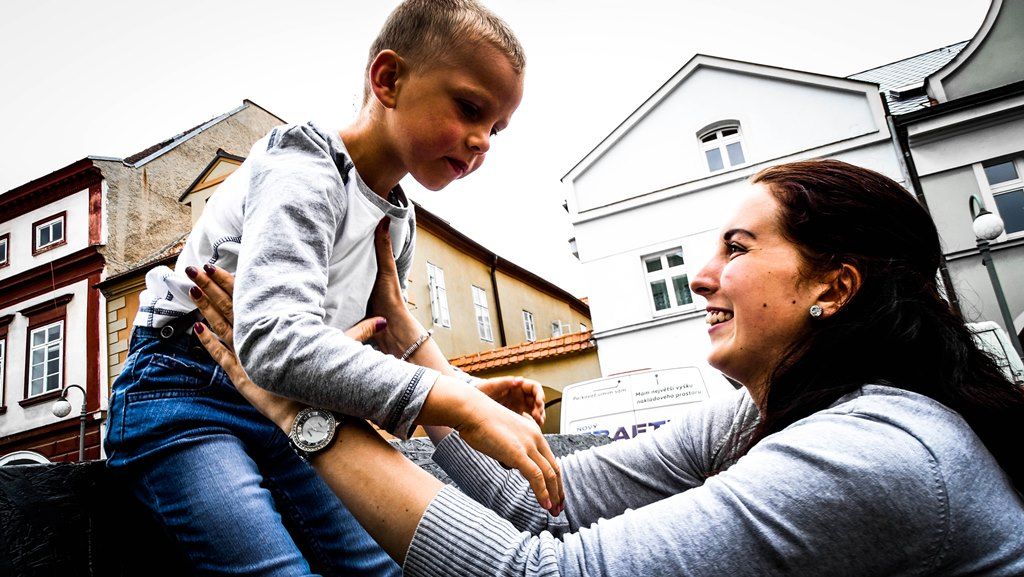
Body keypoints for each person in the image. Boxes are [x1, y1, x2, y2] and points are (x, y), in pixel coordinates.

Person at [192, 159, 1024, 576]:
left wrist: (301, 412)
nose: (701, 276)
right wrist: (409, 340)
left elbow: (539, 573)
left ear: (833, 288)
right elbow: (536, 501)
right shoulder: (760, 414)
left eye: (738, 249)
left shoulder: (875, 454)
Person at [104, 2, 563, 575]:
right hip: (187, 389)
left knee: (383, 566)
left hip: (294, 408)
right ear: (388, 79)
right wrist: (456, 403)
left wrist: (467, 389)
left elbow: (382, 341)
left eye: (495, 128)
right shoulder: (303, 162)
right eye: (470, 109)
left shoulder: (398, 221)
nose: (483, 142)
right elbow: (275, 339)